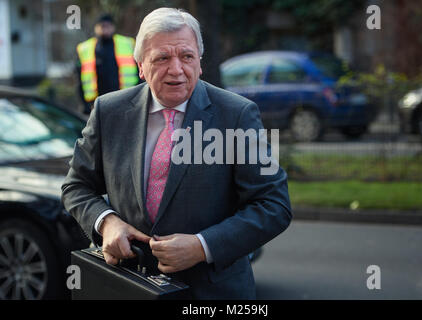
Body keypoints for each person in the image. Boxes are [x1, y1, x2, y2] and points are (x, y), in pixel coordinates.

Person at [62, 7, 292, 299]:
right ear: (141, 66)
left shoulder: (236, 115)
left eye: (186, 56)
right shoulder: (109, 111)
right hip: (130, 286)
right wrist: (106, 222)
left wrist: (202, 245)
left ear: (200, 63)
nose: (176, 69)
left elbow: (274, 205)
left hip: (211, 294)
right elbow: (76, 186)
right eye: (162, 58)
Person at [76, 14, 139, 114]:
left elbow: (140, 73)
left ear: (113, 27)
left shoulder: (127, 44)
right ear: (96, 28)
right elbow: (80, 79)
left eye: (108, 25)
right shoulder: (85, 48)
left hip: (125, 101)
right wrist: (85, 105)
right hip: (96, 104)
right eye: (102, 26)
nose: (105, 29)